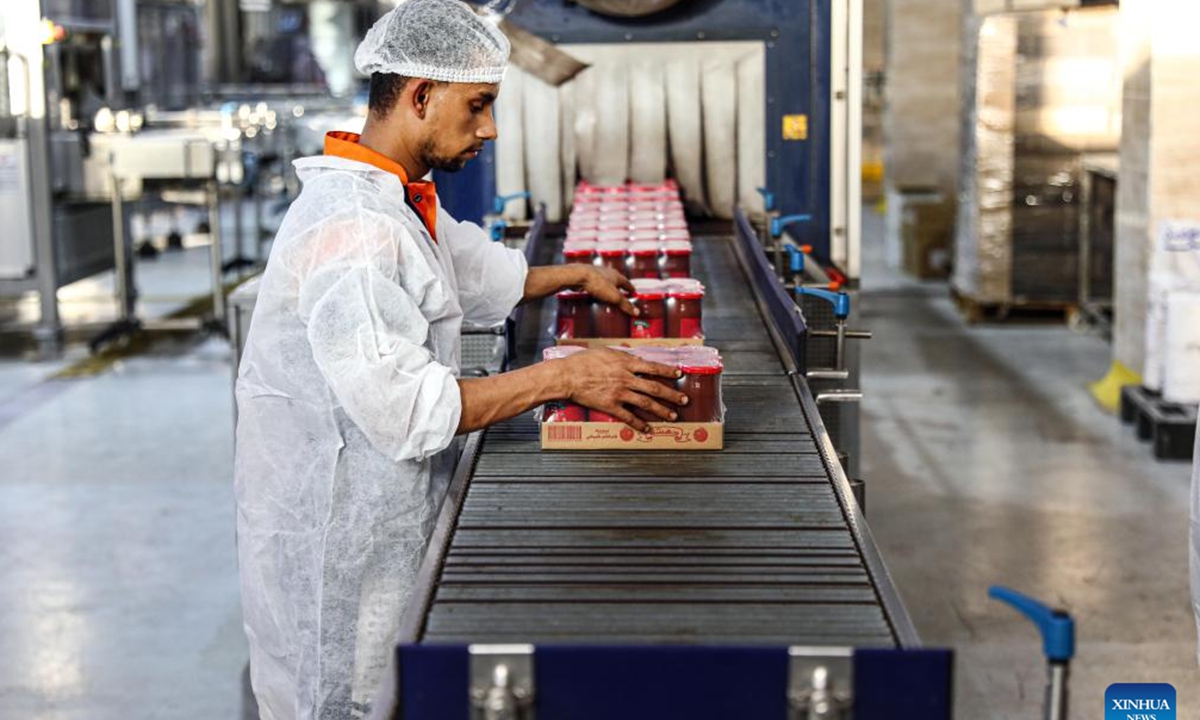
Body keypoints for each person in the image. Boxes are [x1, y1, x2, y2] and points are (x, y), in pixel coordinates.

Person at [233, 0, 688, 718]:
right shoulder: (353, 230)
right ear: (420, 96)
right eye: (477, 106)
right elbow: (410, 410)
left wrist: (571, 275)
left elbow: (466, 272)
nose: (490, 128)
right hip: (344, 548)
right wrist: (566, 375)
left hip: (389, 518)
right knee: (355, 700)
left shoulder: (393, 194)